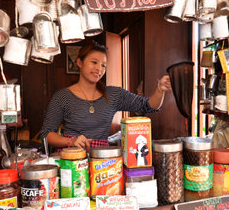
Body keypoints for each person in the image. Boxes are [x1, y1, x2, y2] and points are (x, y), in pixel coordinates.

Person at [40, 42, 172, 150]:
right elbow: (47, 135)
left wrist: (160, 89)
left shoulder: (114, 94)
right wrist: (71, 141)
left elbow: (147, 106)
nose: (99, 69)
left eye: (103, 65)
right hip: (72, 161)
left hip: (103, 162)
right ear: (79, 62)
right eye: (94, 62)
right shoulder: (62, 96)